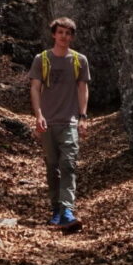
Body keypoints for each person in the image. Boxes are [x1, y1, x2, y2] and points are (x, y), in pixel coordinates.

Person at [29, 17, 90, 229]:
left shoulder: (79, 60)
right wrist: (38, 115)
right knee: (53, 167)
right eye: (61, 32)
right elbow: (35, 88)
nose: (64, 36)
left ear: (72, 37)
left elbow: (82, 88)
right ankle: (56, 209)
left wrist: (83, 117)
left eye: (68, 33)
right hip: (48, 122)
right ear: (54, 34)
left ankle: (67, 211)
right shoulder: (42, 59)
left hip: (70, 121)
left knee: (68, 164)